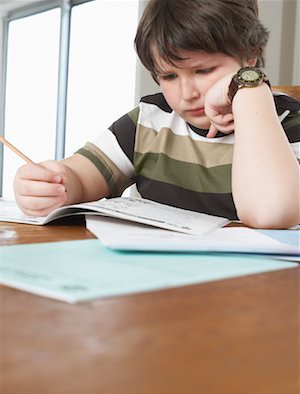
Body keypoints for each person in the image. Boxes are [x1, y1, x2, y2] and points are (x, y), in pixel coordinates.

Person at [13, 0, 300, 228]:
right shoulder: (149, 120)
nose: (187, 92)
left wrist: (248, 89)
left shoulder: (289, 122)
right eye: (169, 76)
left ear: (250, 56)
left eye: (204, 70)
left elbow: (271, 212)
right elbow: (79, 176)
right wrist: (51, 184)